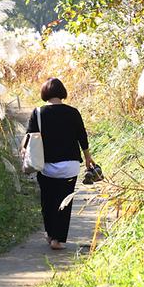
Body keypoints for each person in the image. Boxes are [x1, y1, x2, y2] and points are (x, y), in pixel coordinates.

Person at [26, 77, 94, 250]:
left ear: (45, 93)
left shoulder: (38, 113)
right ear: (62, 92)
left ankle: (50, 235)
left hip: (46, 167)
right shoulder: (73, 112)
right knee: (65, 202)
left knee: (47, 201)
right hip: (70, 167)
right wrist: (87, 158)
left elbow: (29, 138)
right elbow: (82, 137)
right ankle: (58, 240)